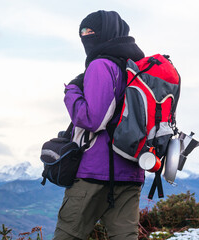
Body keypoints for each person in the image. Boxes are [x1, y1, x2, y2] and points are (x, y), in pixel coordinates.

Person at [53, 10, 145, 240]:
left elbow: (94, 120)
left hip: (94, 173)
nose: (86, 36)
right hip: (131, 172)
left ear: (107, 33)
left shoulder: (101, 65)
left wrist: (71, 91)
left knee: (68, 235)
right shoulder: (137, 68)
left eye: (91, 31)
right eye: (82, 32)